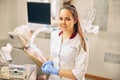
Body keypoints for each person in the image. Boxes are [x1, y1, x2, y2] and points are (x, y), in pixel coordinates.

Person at [41, 5, 89, 80]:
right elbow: (53, 55)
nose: (63, 22)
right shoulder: (54, 35)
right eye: (60, 19)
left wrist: (56, 71)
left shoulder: (81, 42)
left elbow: (79, 74)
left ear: (75, 20)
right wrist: (50, 61)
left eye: (67, 19)